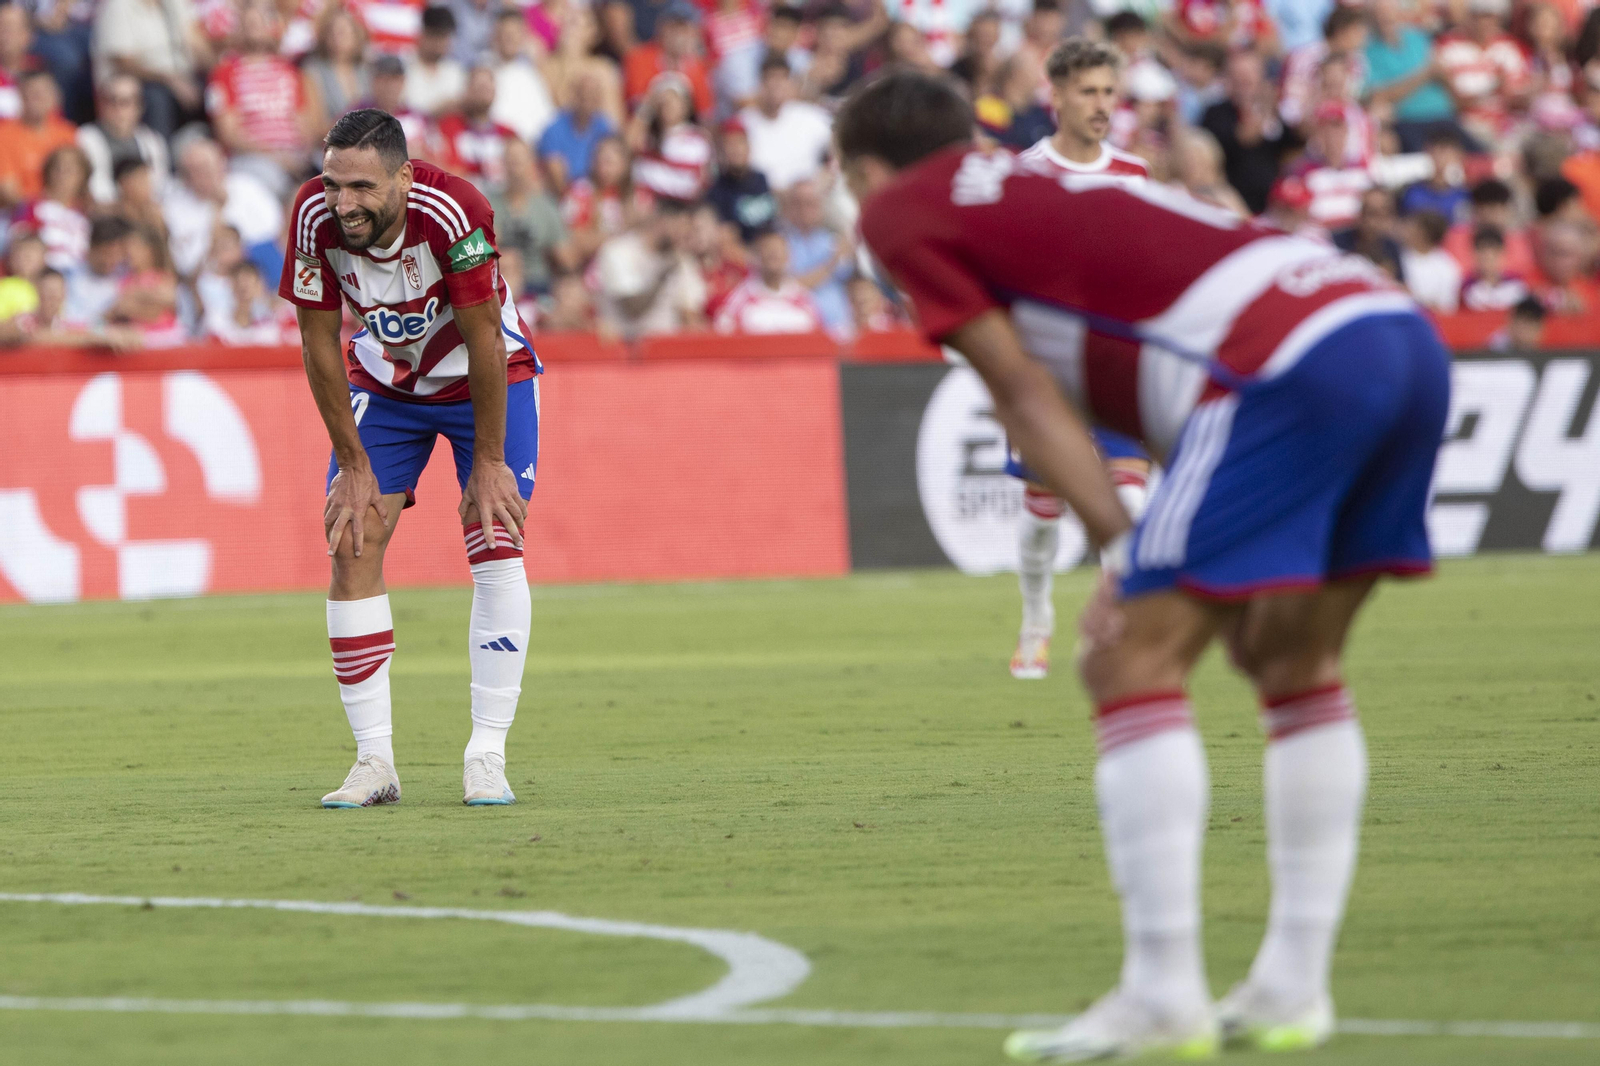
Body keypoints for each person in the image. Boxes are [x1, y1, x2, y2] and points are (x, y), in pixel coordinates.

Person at [839, 71, 1447, 1061]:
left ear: (866, 169)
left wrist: (1122, 550)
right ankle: (1293, 985)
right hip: (1385, 328)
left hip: (1278, 361)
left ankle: (1164, 990)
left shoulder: (902, 211)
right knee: (1292, 665)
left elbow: (1023, 395)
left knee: (1127, 660)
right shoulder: (1043, 185)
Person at [280, 109, 541, 809]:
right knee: (351, 538)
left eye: (362, 187)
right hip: (387, 386)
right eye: (334, 184)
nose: (343, 203)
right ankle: (374, 763)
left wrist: (488, 458)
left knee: (495, 537)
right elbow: (317, 342)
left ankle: (487, 753)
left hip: (483, 380)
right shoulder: (312, 215)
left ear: (403, 175)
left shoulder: (453, 210)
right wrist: (351, 459)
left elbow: (485, 337)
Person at [1010, 36, 1155, 681]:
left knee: (1129, 507)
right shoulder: (1022, 174)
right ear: (1057, 97)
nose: (1102, 105)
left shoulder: (1135, 174)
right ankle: (1036, 616)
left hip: (1117, 364)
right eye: (1088, 92)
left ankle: (1112, 636)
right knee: (1043, 516)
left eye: (1108, 93)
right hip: (1049, 371)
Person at [206, 2, 313, 198]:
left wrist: (302, 157)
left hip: (294, 157)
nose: (253, 27)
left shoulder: (290, 71)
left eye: (258, 22)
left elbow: (303, 124)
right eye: (247, 23)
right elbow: (228, 133)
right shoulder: (224, 73)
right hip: (251, 159)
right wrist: (276, 156)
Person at [593, 197, 706, 338]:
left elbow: (690, 314)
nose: (682, 235)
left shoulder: (681, 260)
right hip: (626, 349)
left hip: (666, 350)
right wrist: (661, 277)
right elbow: (632, 309)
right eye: (679, 227)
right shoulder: (619, 251)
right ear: (663, 221)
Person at [738, 54, 833, 191]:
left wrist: (830, 171)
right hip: (763, 200)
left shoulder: (810, 117)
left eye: (782, 78)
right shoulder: (743, 123)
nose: (776, 84)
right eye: (770, 78)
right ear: (759, 83)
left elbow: (842, 142)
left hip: (808, 200)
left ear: (790, 83)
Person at [77, 74, 170, 207]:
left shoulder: (152, 141)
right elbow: (96, 189)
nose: (118, 109)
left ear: (139, 106)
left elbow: (159, 185)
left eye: (126, 102)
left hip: (144, 210)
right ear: (100, 104)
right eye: (111, 101)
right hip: (107, 213)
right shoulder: (85, 137)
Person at [712, 227, 823, 334]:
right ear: (756, 256)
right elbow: (723, 334)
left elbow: (818, 335)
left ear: (788, 256)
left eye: (778, 250)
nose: (773, 254)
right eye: (768, 249)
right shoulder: (740, 298)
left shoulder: (804, 299)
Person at [0, 69, 78, 209]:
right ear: (21, 97)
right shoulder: (4, 135)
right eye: (33, 93)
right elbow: (8, 192)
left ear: (56, 96)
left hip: (67, 211)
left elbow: (78, 182)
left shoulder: (68, 133)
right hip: (22, 215)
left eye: (44, 92)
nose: (39, 98)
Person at [431, 65, 519, 189]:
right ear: (467, 91)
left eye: (487, 87)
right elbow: (447, 170)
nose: (483, 93)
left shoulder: (508, 133)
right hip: (462, 195)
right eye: (479, 87)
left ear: (495, 92)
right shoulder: (449, 126)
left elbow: (522, 175)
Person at [538, 68, 618, 194]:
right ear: (574, 95)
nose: (587, 100)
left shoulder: (605, 128)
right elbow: (555, 171)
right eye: (583, 94)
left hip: (597, 194)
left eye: (593, 95)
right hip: (562, 195)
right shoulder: (554, 129)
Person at [302, 7, 373, 142]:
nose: (336, 38)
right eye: (332, 32)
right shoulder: (312, 71)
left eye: (343, 32)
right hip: (331, 144)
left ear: (356, 35)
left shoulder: (367, 70)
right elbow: (316, 125)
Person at [707, 117, 775, 243]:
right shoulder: (716, 191)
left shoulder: (762, 180)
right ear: (721, 151)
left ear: (748, 147)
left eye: (739, 143)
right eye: (729, 144)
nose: (736, 149)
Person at [403, 5, 466, 117]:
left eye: (445, 36)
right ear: (423, 34)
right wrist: (435, 112)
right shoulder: (404, 66)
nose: (440, 42)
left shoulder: (455, 72)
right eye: (436, 35)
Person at [1399, 209, 1462, 312]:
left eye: (1412, 227)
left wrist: (1418, 302)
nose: (1407, 230)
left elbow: (1446, 308)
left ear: (1423, 233)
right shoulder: (1399, 257)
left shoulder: (1447, 266)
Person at [1459, 224, 1531, 310]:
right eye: (1484, 257)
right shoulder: (1467, 287)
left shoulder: (1516, 284)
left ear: (1503, 254)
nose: (1488, 263)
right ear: (1474, 255)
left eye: (1493, 257)